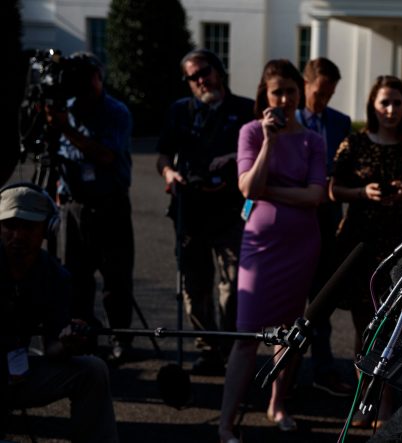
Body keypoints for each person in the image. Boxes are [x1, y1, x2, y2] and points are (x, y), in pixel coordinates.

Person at [218, 59, 326, 441]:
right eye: (276, 91)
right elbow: (248, 187)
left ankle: (278, 403)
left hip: (301, 246)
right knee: (247, 336)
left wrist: (270, 191)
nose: (283, 98)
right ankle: (225, 421)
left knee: (288, 333)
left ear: (300, 93)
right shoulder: (250, 132)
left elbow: (315, 196)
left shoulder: (314, 139)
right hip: (260, 246)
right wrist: (270, 141)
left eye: (291, 91)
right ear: (264, 94)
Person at [330, 75, 402, 428]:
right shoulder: (354, 143)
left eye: (397, 103)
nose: (391, 110)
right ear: (372, 106)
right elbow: (334, 189)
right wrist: (363, 193)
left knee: (393, 327)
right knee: (364, 327)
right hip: (361, 245)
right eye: (384, 103)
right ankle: (365, 401)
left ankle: (387, 405)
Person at [156, 49, 254, 375]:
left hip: (230, 211)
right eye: (193, 76)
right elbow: (163, 156)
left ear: (219, 70)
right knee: (194, 287)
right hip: (189, 209)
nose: (201, 80)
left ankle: (230, 348)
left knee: (232, 286)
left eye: (205, 72)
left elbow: (256, 153)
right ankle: (208, 348)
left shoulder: (244, 109)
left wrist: (231, 158)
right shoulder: (179, 111)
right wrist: (170, 174)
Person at [0, 183, 118, 443]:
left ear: (48, 229)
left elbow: (52, 347)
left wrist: (67, 344)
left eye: (28, 226)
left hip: (17, 375)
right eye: (9, 225)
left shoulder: (55, 276)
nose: (17, 235)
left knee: (92, 369)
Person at [45, 51, 135, 362]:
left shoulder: (115, 111)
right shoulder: (63, 109)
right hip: (74, 207)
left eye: (89, 78)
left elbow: (107, 155)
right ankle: (84, 338)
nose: (85, 87)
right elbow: (52, 154)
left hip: (110, 205)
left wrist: (66, 128)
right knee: (75, 280)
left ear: (100, 76)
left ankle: (121, 338)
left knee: (116, 280)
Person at [296, 57, 354, 397]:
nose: (324, 102)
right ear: (306, 84)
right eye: (319, 94)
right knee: (288, 303)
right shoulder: (290, 120)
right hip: (293, 221)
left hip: (328, 220)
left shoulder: (341, 122)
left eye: (330, 95)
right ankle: (285, 374)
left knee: (321, 300)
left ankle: (323, 369)